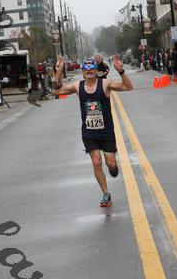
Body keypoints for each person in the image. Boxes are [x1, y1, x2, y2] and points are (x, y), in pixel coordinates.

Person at [53, 56, 133, 207]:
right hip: (89, 132)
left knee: (111, 164)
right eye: (86, 68)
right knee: (96, 162)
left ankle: (113, 166)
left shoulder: (105, 84)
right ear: (83, 72)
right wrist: (59, 71)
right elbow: (56, 91)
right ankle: (106, 193)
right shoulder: (77, 86)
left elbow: (128, 87)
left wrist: (121, 71)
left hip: (106, 131)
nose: (89, 70)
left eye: (92, 68)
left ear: (97, 71)